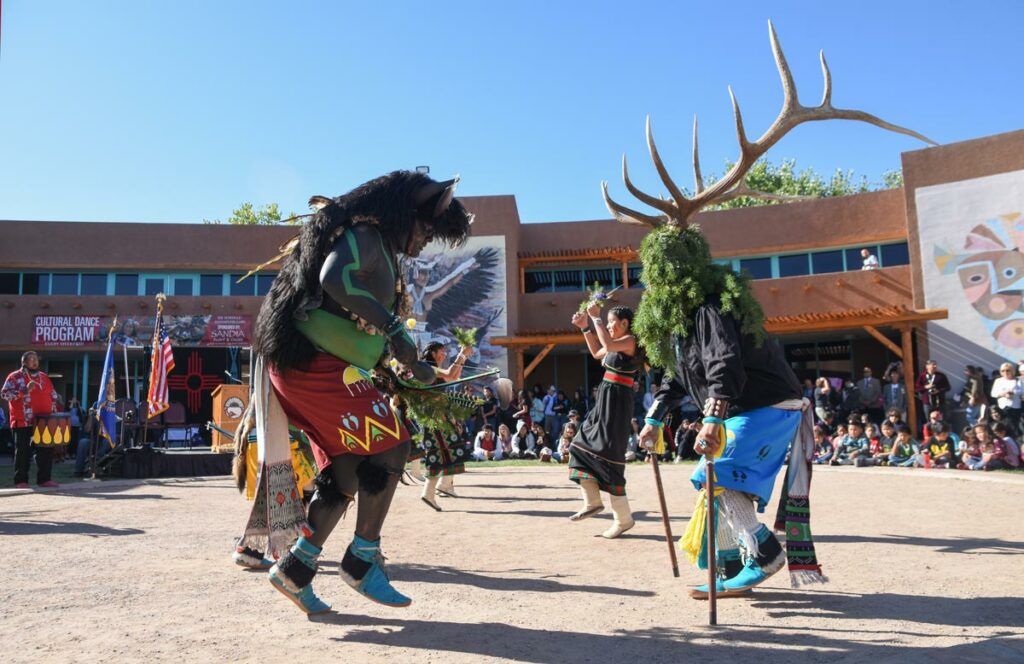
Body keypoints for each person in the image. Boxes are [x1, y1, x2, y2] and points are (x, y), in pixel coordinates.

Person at [237, 171, 472, 614]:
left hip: (325, 368)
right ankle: (363, 560)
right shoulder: (365, 236)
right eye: (425, 229)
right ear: (406, 215)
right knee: (393, 444)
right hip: (311, 366)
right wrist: (394, 328)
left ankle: (295, 569)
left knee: (345, 474)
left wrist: (410, 367)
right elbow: (332, 280)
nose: (424, 241)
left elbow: (360, 332)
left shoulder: (384, 250)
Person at [568, 304, 640, 539]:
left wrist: (596, 318)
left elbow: (607, 345)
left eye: (612, 322)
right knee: (578, 444)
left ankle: (623, 519)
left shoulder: (630, 341)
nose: (609, 325)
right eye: (607, 322)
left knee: (609, 456)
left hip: (618, 403)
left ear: (625, 324)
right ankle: (592, 501)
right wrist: (585, 328)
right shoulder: (615, 345)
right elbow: (598, 352)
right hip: (605, 401)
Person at [419, 340, 473, 506]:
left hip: (440, 416)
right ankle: (429, 492)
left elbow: (453, 377)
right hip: (434, 418)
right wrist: (462, 354)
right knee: (439, 453)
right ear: (433, 353)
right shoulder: (427, 368)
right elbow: (450, 374)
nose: (444, 355)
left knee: (451, 450)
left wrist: (462, 359)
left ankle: (443, 486)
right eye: (442, 352)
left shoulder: (433, 369)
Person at [2, 351, 62, 488]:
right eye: (31, 359)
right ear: (24, 362)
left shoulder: (44, 377)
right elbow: (5, 394)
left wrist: (56, 400)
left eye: (36, 359)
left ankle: (44, 479)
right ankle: (21, 481)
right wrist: (24, 391)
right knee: (23, 451)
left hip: (44, 421)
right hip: (23, 421)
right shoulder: (14, 377)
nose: (35, 361)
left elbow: (52, 394)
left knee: (46, 450)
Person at [990, 362, 1022, 434]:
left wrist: (1013, 392)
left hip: (1015, 407)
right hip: (1003, 407)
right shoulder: (998, 381)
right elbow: (993, 394)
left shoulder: (1017, 380)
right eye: (1003, 370)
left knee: (1016, 427)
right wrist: (1003, 394)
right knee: (1006, 427)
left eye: (1008, 370)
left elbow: (1022, 390)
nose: (1005, 372)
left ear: (1012, 370)